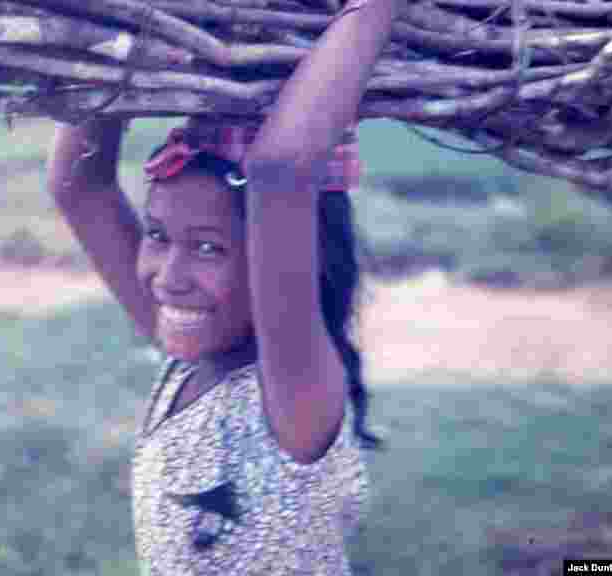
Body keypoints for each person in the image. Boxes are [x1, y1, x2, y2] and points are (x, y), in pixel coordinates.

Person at [45, 0, 405, 571]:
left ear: (282, 257)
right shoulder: (190, 353)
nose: (168, 277)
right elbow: (78, 185)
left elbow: (281, 170)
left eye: (210, 247)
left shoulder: (293, 393)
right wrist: (120, 27)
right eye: (157, 235)